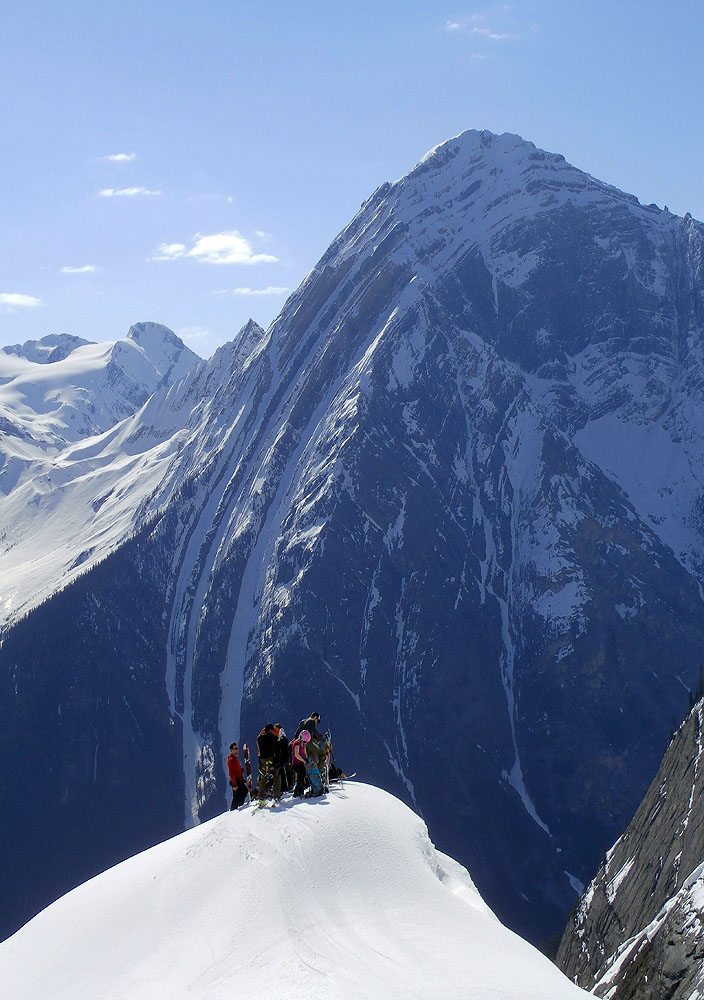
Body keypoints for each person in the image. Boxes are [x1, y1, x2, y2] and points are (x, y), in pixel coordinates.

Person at [256, 723, 281, 801]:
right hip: (270, 760)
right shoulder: (274, 739)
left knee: (263, 779)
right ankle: (276, 797)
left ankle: (261, 798)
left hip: (262, 761)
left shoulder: (259, 739)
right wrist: (276, 763)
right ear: (270, 730)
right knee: (275, 777)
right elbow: (276, 751)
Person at [227, 742, 248, 810]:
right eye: (235, 749)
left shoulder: (234, 758)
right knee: (242, 793)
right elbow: (231, 773)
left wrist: (242, 779)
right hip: (236, 780)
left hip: (237, 779)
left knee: (238, 795)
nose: (237, 750)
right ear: (231, 750)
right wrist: (234, 784)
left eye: (237, 748)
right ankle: (236, 808)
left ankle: (237, 808)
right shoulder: (232, 760)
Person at [290, 730, 309, 797]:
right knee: (301, 777)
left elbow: (305, 754)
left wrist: (304, 747)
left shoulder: (302, 744)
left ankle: (297, 793)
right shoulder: (296, 743)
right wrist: (304, 761)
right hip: (296, 764)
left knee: (301, 777)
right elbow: (296, 754)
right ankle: (299, 793)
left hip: (301, 764)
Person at [274, 725, 292, 793]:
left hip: (283, 758)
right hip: (286, 758)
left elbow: (281, 750)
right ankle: (288, 786)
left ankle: (285, 787)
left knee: (283, 773)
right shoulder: (284, 738)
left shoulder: (280, 740)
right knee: (286, 772)